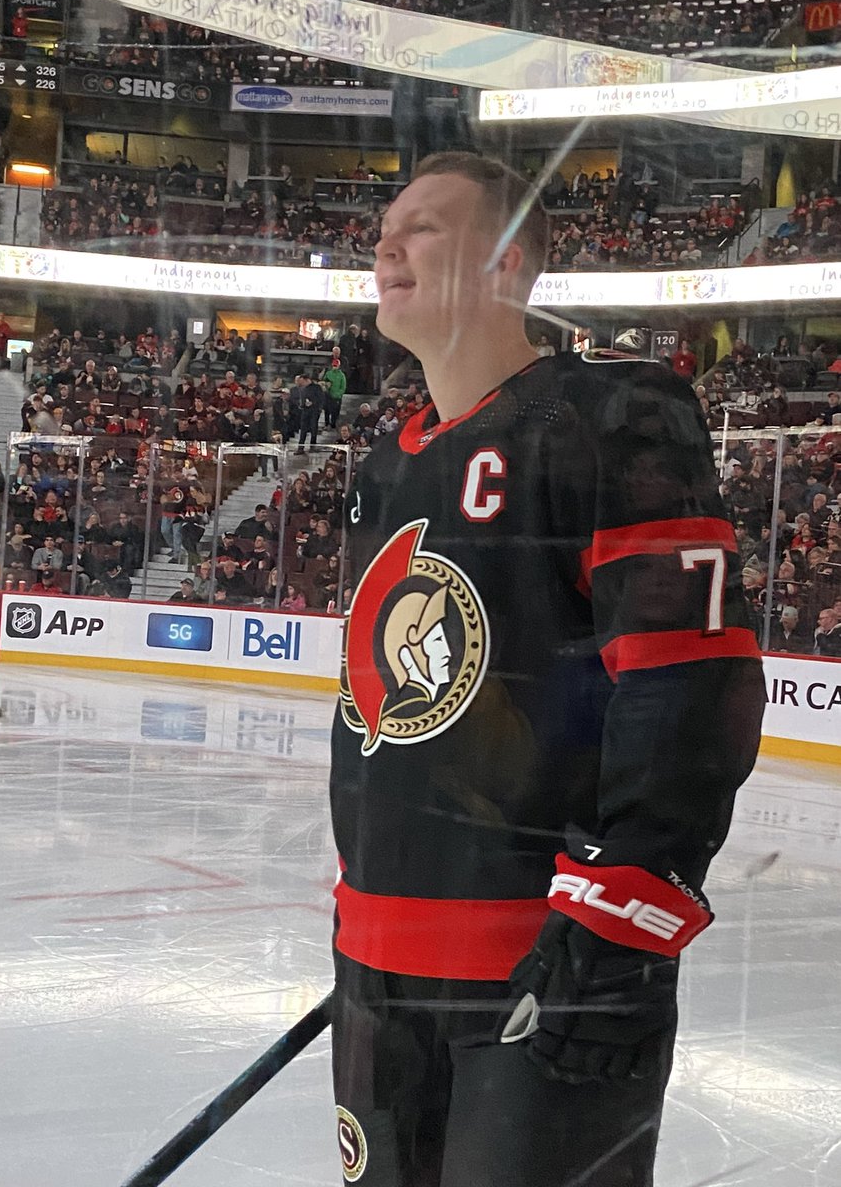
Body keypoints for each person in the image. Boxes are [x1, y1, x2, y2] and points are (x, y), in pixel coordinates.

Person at [327, 152, 766, 1187]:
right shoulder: (388, 463)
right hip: (377, 962)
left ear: (509, 262)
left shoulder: (612, 415)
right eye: (388, 227)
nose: (388, 244)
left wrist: (626, 920)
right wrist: (377, 919)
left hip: (547, 968)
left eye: (426, 227)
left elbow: (690, 677)